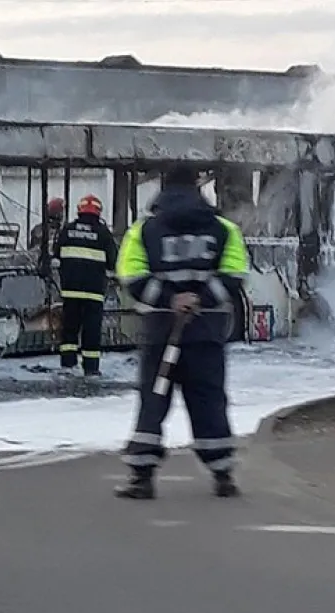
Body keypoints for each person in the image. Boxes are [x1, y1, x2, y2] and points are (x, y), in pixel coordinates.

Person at [113, 165, 249, 499]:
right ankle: (223, 475)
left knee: (154, 399)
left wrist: (170, 299)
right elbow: (235, 274)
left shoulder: (144, 230)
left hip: (161, 333)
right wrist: (199, 299)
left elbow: (131, 276)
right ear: (198, 187)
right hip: (206, 333)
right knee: (208, 399)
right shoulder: (224, 229)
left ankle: (141, 478)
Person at [52, 194, 118, 376]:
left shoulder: (67, 230)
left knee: (70, 328)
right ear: (98, 212)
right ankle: (91, 368)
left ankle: (68, 364)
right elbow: (113, 262)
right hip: (93, 292)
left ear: (79, 211)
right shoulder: (104, 233)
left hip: (70, 290)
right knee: (91, 330)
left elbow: (56, 255)